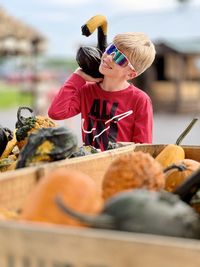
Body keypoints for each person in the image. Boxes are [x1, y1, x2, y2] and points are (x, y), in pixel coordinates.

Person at [48, 32, 156, 151]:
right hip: (90, 162)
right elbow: (56, 113)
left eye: (119, 58)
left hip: (118, 165)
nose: (109, 57)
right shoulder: (86, 91)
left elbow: (143, 148)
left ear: (131, 74)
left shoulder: (139, 100)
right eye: (111, 49)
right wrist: (77, 76)